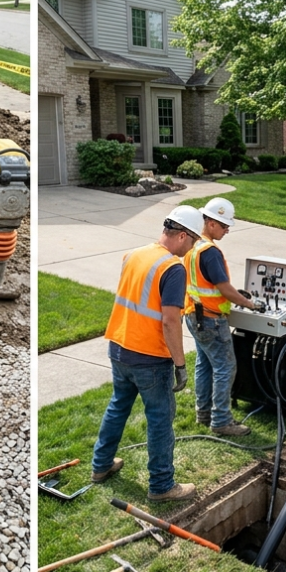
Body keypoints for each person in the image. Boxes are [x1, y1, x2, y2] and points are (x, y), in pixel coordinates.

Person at [91, 205, 204, 502]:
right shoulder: (173, 269)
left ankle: (100, 466)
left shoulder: (135, 254)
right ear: (182, 236)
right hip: (149, 358)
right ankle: (162, 485)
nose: (192, 248)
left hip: (118, 346)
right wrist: (180, 365)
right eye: (192, 241)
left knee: (118, 406)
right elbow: (170, 321)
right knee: (160, 418)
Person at [185, 197, 262, 436]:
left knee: (205, 364)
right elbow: (223, 287)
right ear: (210, 223)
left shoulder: (193, 247)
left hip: (193, 315)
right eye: (224, 225)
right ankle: (221, 421)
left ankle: (204, 413)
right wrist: (249, 303)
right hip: (210, 319)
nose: (227, 229)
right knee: (225, 367)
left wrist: (232, 294)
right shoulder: (210, 252)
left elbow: (209, 285)